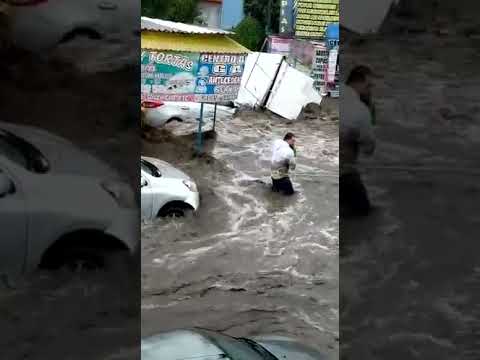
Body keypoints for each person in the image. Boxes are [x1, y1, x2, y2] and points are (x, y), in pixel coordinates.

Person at [340, 65, 376, 216]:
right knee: (365, 214)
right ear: (360, 84)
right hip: (344, 173)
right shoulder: (361, 110)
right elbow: (369, 148)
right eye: (369, 86)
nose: (370, 91)